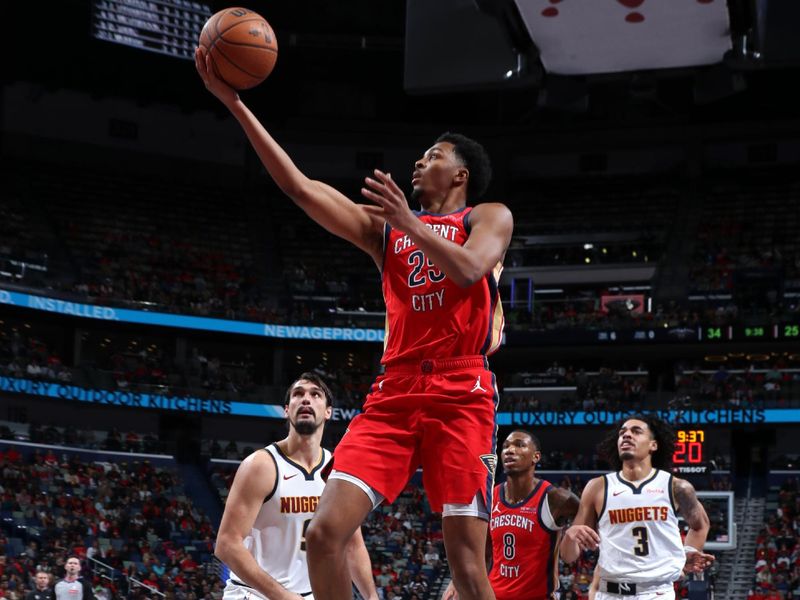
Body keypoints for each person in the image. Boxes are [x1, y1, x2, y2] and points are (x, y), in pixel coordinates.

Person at [196, 44, 513, 600]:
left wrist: (410, 222)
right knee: (324, 535)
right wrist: (235, 102)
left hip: (462, 387)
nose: (419, 162)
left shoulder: (485, 216)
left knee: (466, 563)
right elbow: (300, 187)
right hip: (395, 387)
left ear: (460, 173)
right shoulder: (383, 229)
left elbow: (466, 271)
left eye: (432, 154)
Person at [214, 373, 378, 600]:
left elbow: (351, 543)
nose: (306, 399)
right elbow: (226, 544)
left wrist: (371, 595)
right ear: (286, 409)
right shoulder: (261, 465)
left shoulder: (338, 470)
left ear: (329, 411)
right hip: (254, 594)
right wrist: (283, 596)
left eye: (315, 394)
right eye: (298, 394)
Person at [560, 416, 715, 600]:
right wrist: (570, 535)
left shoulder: (676, 487)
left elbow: (701, 525)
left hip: (656, 593)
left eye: (636, 431)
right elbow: (568, 556)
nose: (626, 435)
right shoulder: (598, 488)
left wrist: (687, 552)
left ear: (653, 445)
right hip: (610, 593)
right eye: (622, 433)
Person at [442, 430, 580, 600]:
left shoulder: (557, 499)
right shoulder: (490, 497)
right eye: (505, 446)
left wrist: (572, 538)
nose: (510, 450)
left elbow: (588, 524)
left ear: (536, 457)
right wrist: (456, 582)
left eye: (520, 445)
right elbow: (483, 553)